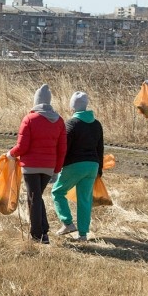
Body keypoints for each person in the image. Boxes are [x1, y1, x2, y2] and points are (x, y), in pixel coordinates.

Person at [7, 84, 67, 244]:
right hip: (48, 166)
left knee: (33, 198)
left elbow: (22, 146)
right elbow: (62, 149)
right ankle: (44, 230)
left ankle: (37, 235)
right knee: (37, 197)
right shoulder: (60, 121)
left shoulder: (29, 119)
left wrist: (10, 154)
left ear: (36, 101)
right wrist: (57, 169)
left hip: (31, 166)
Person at [51, 92, 103, 242]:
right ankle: (83, 235)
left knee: (58, 192)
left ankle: (67, 222)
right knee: (85, 199)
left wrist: (58, 166)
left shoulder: (71, 124)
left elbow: (64, 148)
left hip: (75, 164)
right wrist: (99, 170)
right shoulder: (96, 124)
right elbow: (100, 148)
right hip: (93, 165)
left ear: (72, 106)